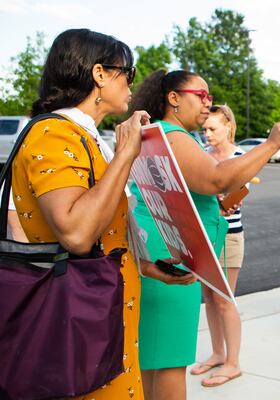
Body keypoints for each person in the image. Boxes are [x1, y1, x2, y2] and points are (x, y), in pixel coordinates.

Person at [11, 29, 191, 400]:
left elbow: (103, 229)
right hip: (78, 326)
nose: (132, 83)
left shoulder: (84, 135)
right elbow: (76, 234)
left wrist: (144, 264)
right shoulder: (54, 134)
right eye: (128, 71)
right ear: (99, 74)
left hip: (101, 318)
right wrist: (126, 153)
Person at [129, 70, 280, 398]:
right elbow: (217, 179)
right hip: (174, 261)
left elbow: (179, 192)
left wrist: (212, 207)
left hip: (158, 253)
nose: (208, 102)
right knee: (169, 362)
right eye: (201, 95)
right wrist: (273, 143)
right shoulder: (173, 135)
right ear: (174, 98)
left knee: (153, 359)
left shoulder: (155, 135)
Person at [188, 104, 245, 385]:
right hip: (205, 235)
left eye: (212, 129)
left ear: (228, 127)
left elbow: (233, 200)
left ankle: (233, 363)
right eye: (204, 129)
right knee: (209, 299)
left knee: (224, 300)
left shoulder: (240, 157)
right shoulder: (203, 157)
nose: (207, 134)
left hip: (229, 236)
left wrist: (219, 200)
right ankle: (218, 353)